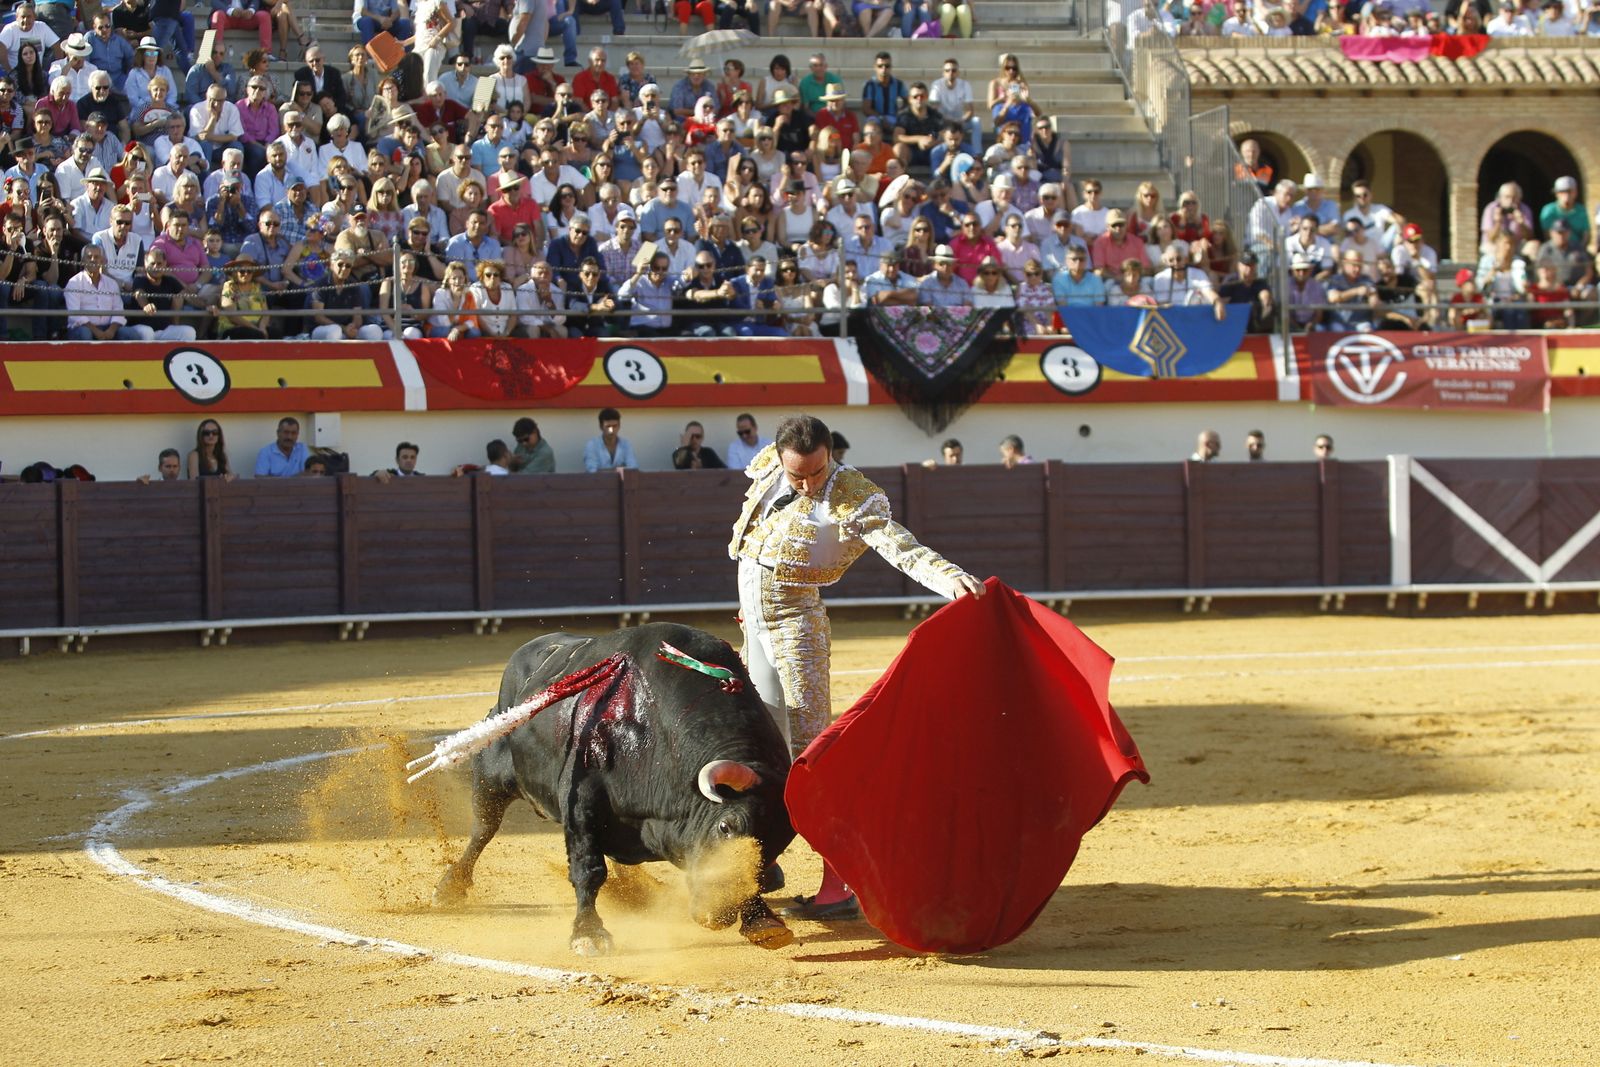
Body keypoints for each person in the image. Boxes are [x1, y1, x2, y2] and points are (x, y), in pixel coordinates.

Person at [728, 414, 984, 921]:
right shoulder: (770, 469)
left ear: (832, 456)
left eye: (816, 472)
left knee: (810, 754)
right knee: (759, 743)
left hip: (796, 632)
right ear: (780, 456)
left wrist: (949, 578)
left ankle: (837, 883)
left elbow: (900, 547)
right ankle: (767, 858)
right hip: (754, 625)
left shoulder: (852, 495)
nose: (806, 484)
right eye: (797, 474)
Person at [583, 406, 638, 472]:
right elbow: (592, 471)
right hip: (598, 482)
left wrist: (605, 471)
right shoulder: (592, 445)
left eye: (614, 426)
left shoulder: (626, 444)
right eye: (608, 426)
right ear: (601, 427)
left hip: (622, 482)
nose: (611, 430)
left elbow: (633, 469)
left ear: (619, 426)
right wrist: (619, 470)